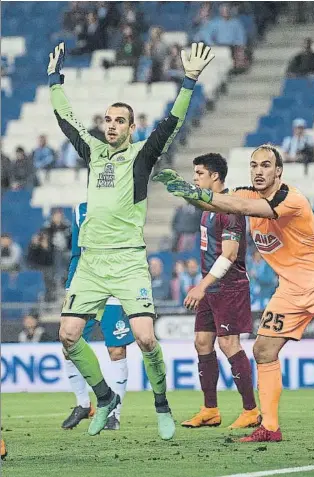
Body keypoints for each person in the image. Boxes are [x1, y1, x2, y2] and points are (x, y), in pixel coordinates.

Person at [154, 144, 314, 443]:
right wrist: (185, 191)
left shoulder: (290, 198)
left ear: (278, 171)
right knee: (263, 350)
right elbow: (217, 204)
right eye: (254, 166)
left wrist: (203, 195)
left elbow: (243, 208)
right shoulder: (247, 192)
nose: (258, 171)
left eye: (265, 165)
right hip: (289, 289)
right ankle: (270, 427)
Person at [47, 41, 214, 438]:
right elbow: (65, 118)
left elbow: (170, 124)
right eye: (107, 119)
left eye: (119, 120)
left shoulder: (142, 155)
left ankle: (161, 404)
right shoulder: (94, 152)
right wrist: (55, 80)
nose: (111, 125)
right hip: (91, 262)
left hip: (126, 261)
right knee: (67, 335)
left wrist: (188, 81)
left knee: (145, 339)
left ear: (130, 126)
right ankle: (104, 398)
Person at [177, 153, 260, 430]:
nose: (195, 177)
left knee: (228, 344)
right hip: (211, 287)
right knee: (202, 342)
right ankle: (210, 409)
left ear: (215, 176)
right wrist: (182, 192)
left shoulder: (230, 209)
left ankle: (251, 410)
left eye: (199, 173)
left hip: (228, 286)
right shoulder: (208, 207)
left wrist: (201, 285)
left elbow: (230, 254)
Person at [62, 202, 135, 431]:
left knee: (116, 350)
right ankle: (83, 404)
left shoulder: (124, 205)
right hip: (85, 286)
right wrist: (69, 287)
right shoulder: (79, 210)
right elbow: (76, 253)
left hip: (114, 286)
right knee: (68, 344)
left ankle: (115, 413)